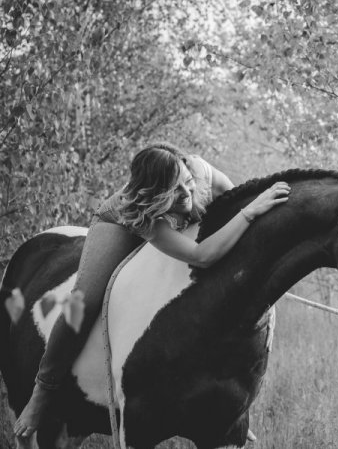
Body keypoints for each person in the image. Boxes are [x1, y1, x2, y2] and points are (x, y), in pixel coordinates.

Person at [13, 142, 290, 439]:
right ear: (156, 197)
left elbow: (233, 230)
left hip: (168, 217)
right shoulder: (140, 211)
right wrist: (249, 213)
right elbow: (202, 255)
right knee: (83, 302)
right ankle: (43, 391)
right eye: (176, 191)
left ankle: (230, 408)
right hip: (118, 225)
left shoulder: (203, 175)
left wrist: (255, 210)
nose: (187, 194)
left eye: (187, 183)